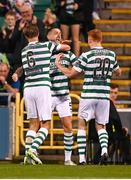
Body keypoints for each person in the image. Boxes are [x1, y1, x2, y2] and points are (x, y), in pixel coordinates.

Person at [55, 29, 121, 165]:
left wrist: (58, 65)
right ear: (101, 39)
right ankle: (103, 151)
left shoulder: (87, 55)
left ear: (90, 40)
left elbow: (71, 73)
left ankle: (82, 159)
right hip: (103, 96)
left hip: (89, 95)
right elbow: (118, 72)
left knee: (81, 125)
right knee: (101, 126)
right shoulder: (111, 54)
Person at [20, 24, 70, 164]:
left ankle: (27, 155)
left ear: (25, 37)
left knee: (33, 124)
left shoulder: (23, 51)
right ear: (38, 34)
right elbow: (66, 48)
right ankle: (33, 149)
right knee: (46, 124)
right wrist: (58, 43)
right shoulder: (46, 46)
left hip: (28, 87)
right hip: (42, 86)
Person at [48, 28, 77, 165]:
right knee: (42, 125)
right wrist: (56, 65)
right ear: (50, 37)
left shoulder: (69, 54)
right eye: (56, 33)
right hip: (49, 94)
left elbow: (76, 70)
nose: (59, 35)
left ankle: (67, 159)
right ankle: (32, 153)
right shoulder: (46, 53)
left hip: (64, 95)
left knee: (68, 126)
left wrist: (62, 68)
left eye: (60, 33)